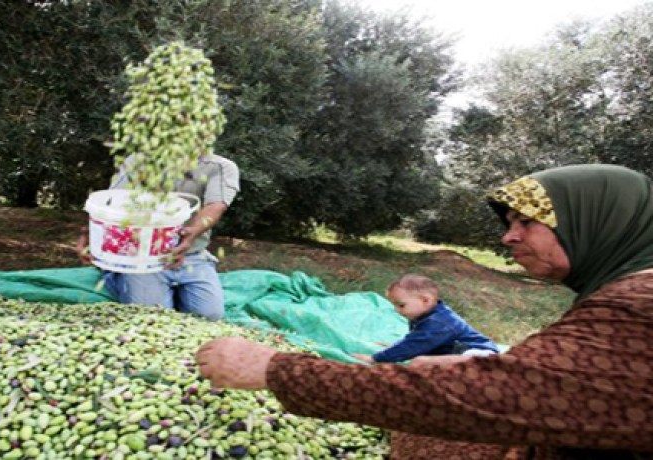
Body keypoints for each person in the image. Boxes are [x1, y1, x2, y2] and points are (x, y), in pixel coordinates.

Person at [195, 164, 653, 458]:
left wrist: (275, 370)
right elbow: (567, 386)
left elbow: (477, 399)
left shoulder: (637, 307)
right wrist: (484, 365)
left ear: (596, 221)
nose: (507, 238)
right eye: (509, 224)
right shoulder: (623, 289)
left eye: (526, 223)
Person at [78, 153, 239, 320]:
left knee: (210, 316)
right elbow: (113, 204)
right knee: (152, 317)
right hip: (142, 257)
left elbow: (216, 205)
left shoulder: (219, 166)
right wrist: (92, 234)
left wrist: (190, 234)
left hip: (193, 256)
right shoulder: (139, 161)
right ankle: (116, 273)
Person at [353, 274, 498, 364]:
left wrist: (375, 358)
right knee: (424, 360)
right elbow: (413, 340)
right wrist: (394, 346)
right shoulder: (424, 315)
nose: (397, 310)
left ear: (425, 300)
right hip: (458, 353)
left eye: (401, 305)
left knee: (420, 362)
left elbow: (412, 346)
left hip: (479, 355)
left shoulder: (439, 323)